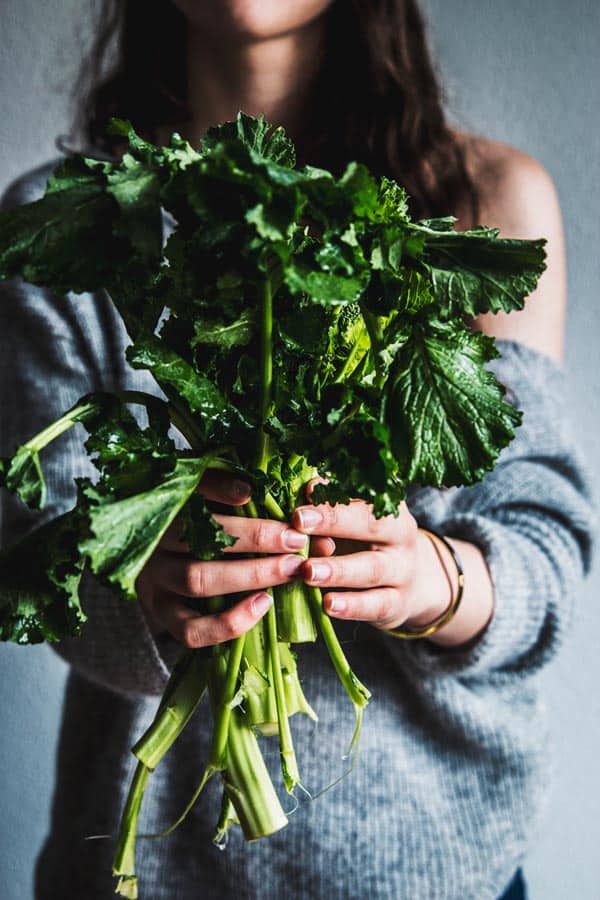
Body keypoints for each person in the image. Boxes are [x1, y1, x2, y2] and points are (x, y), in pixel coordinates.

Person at [0, 1, 594, 898]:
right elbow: (36, 555)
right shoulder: (62, 219)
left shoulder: (481, 204)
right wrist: (144, 585)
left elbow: (543, 541)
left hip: (435, 873)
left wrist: (434, 580)